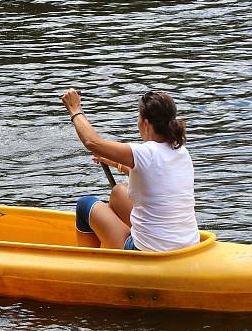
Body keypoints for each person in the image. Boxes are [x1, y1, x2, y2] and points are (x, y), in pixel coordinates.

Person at [61, 88, 199, 252]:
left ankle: (88, 266)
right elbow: (153, 175)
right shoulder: (181, 151)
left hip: (148, 251)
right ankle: (112, 246)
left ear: (146, 124)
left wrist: (75, 109)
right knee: (119, 192)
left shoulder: (144, 152)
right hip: (188, 245)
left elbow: (92, 142)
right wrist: (113, 161)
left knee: (84, 204)